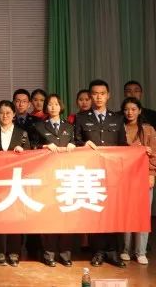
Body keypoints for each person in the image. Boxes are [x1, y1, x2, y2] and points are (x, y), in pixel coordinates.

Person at [74, 79, 127, 268]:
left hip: (113, 173)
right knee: (95, 211)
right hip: (92, 173)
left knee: (113, 211)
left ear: (108, 95)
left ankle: (113, 251)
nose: (98, 97)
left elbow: (124, 146)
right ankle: (98, 251)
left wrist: (140, 151)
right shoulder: (81, 118)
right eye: (95, 94)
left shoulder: (117, 118)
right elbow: (75, 142)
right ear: (90, 96)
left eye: (102, 93)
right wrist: (83, 144)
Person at [30, 94, 75, 268]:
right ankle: (48, 254)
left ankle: (65, 254)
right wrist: (44, 146)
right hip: (46, 176)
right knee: (48, 216)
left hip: (66, 176)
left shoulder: (69, 126)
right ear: (46, 108)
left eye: (56, 104)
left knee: (66, 216)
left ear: (61, 107)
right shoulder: (39, 126)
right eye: (50, 104)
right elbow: (32, 147)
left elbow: (78, 142)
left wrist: (74, 144)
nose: (53, 107)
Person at [0, 100, 30, 267]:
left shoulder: (22, 133)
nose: (4, 116)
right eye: (1, 113)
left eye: (8, 113)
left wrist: (23, 152)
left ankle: (14, 252)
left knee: (15, 216)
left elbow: (31, 156)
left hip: (15, 181)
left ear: (13, 115)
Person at [120, 97, 156, 265]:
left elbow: (154, 153)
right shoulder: (119, 128)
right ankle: (125, 249)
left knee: (143, 214)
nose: (130, 112)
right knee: (126, 213)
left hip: (143, 176)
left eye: (133, 109)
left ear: (140, 111)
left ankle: (141, 251)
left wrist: (152, 173)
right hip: (124, 177)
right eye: (127, 109)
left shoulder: (148, 130)